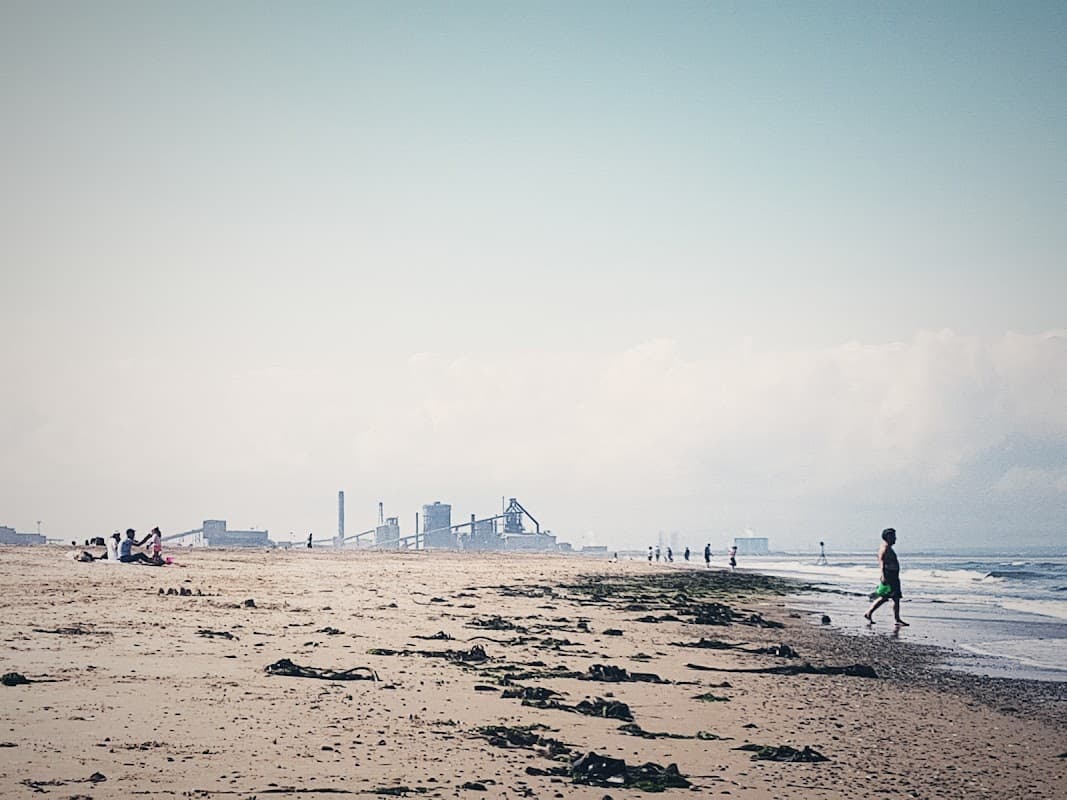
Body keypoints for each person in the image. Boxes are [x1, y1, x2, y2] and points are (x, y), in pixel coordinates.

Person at [865, 528, 908, 626]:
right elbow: (882, 562)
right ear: (888, 537)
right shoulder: (885, 548)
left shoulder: (887, 547)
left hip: (892, 575)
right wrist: (883, 575)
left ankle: (869, 613)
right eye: (893, 536)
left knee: (886, 597)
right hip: (890, 575)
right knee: (895, 597)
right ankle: (897, 619)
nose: (895, 539)